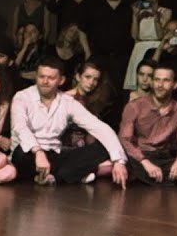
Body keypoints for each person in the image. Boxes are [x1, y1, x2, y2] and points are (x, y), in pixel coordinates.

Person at [10, 58, 128, 187]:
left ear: (61, 80)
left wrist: (119, 161)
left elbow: (99, 127)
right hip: (28, 154)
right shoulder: (22, 97)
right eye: (41, 76)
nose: (45, 81)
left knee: (101, 148)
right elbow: (20, 127)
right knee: (21, 153)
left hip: (54, 155)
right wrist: (38, 152)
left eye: (51, 78)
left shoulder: (67, 101)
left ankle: (55, 176)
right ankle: (69, 175)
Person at [118, 62, 177, 186]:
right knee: (126, 160)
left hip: (164, 157)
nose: (160, 85)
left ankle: (152, 179)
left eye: (166, 80)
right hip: (140, 155)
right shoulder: (134, 106)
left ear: (175, 85)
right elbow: (125, 140)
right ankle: (174, 180)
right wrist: (145, 162)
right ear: (151, 82)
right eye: (157, 80)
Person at [84, 0, 132, 93]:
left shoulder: (129, 8)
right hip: (99, 58)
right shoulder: (94, 6)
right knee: (97, 93)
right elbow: (81, 29)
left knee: (120, 93)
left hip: (122, 60)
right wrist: (87, 53)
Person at [124, 0, 172, 90]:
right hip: (140, 48)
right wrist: (135, 16)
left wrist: (156, 16)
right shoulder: (140, 12)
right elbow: (135, 36)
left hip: (155, 47)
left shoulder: (165, 11)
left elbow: (160, 35)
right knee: (138, 83)